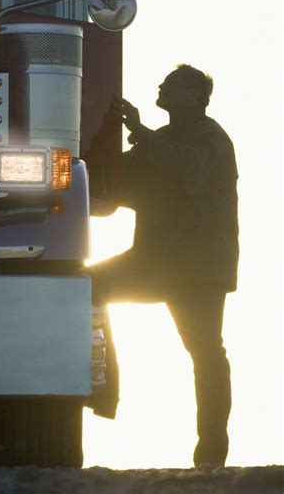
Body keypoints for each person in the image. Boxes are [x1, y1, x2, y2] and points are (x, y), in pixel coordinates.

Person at [88, 64, 239, 467]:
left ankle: (211, 453)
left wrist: (139, 130)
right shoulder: (160, 141)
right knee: (85, 286)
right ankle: (104, 388)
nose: (161, 87)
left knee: (205, 352)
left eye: (171, 85)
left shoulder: (212, 140)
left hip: (196, 270)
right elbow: (116, 182)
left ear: (194, 97)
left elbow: (188, 167)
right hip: (154, 263)